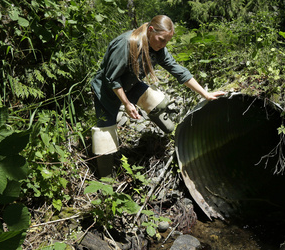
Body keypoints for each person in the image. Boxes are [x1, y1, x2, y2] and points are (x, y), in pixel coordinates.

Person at [90, 15, 225, 177]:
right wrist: (126, 104)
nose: (163, 45)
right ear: (151, 30)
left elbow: (178, 70)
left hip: (131, 83)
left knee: (158, 102)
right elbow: (112, 78)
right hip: (108, 89)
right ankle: (105, 179)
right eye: (161, 40)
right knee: (105, 136)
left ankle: (166, 137)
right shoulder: (126, 44)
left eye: (167, 41)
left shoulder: (158, 48)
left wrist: (205, 94)